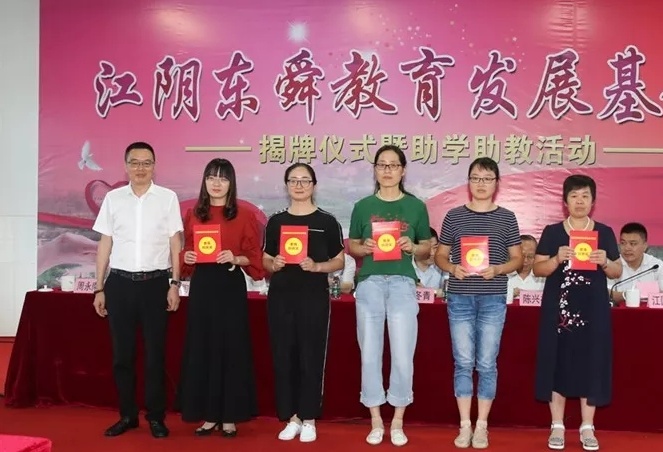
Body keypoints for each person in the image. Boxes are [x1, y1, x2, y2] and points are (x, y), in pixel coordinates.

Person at [92, 141, 183, 438]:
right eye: (135, 162)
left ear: (154, 166)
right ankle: (127, 415)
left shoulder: (167, 198)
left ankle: (156, 416)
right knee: (122, 355)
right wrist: (99, 287)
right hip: (119, 284)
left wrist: (174, 284)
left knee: (155, 355)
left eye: (146, 163)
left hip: (155, 284)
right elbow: (105, 243)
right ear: (126, 166)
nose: (140, 168)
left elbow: (175, 244)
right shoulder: (113, 199)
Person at [434, 157, 523, 449]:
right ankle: (465, 425)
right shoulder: (454, 216)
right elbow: (440, 255)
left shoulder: (507, 217)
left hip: (493, 297)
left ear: (496, 183)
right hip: (460, 296)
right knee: (462, 362)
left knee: (486, 363)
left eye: (487, 178)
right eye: (475, 178)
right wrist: (452, 268)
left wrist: (498, 269)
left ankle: (482, 425)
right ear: (468, 182)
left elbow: (518, 259)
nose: (481, 184)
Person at [348, 145, 432, 447]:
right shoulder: (362, 206)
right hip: (369, 282)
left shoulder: (416, 206)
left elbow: (427, 247)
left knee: (402, 353)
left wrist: (413, 246)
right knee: (370, 352)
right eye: (382, 165)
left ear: (403, 170)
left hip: (402, 283)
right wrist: (364, 247)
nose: (387, 170)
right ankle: (375, 420)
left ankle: (397, 420)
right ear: (374, 170)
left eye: (393, 165)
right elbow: (352, 245)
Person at [533, 175, 622, 451]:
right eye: (574, 196)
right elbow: (538, 269)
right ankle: (557, 425)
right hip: (558, 311)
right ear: (565, 201)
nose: (580, 201)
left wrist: (605, 262)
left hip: (593, 310)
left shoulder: (604, 232)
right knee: (557, 360)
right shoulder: (552, 232)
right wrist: (556, 259)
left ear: (593, 201)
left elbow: (617, 271)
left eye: (585, 196)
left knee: (591, 362)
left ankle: (587, 427)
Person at [178, 158, 265, 437]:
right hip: (203, 287)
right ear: (204, 181)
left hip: (229, 285)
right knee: (203, 347)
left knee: (231, 349)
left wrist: (235, 257)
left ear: (231, 183)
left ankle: (230, 415)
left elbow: (255, 260)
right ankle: (208, 415)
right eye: (211, 177)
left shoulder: (244, 215)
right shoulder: (194, 214)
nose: (216, 183)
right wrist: (187, 257)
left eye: (223, 178)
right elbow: (185, 254)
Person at [262, 163, 345, 443]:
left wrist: (318, 266)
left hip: (313, 297)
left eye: (305, 180)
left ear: (314, 185)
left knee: (311, 355)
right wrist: (274, 263)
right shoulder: (275, 221)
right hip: (281, 297)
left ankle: (309, 417)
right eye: (293, 180)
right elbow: (265, 259)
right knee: (284, 356)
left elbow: (339, 260)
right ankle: (292, 417)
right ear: (286, 185)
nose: (299, 185)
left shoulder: (327, 221)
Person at [608, 222, 663, 303]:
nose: (627, 248)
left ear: (645, 246)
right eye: (623, 243)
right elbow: (606, 292)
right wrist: (626, 295)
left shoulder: (657, 266)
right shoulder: (612, 265)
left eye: (633, 244)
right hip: (619, 310)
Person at [506, 235, 545, 304]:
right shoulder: (503, 276)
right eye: (522, 256)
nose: (526, 260)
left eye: (530, 256)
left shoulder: (543, 278)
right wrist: (510, 293)